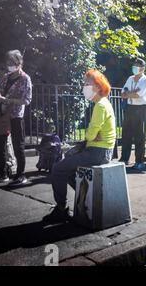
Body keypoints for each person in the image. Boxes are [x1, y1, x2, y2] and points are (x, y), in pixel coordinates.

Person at [43, 69, 116, 224]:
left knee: (58, 169)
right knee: (68, 171)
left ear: (97, 86)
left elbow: (89, 134)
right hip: (100, 151)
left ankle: (62, 209)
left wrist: (92, 135)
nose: (84, 87)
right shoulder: (103, 103)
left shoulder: (100, 106)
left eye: (86, 84)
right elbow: (92, 134)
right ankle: (88, 199)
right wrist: (93, 135)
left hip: (98, 153)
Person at [0, 50, 32, 186]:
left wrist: (9, 101)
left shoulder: (25, 78)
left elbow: (27, 100)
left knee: (18, 145)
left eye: (12, 63)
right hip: (2, 114)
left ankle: (20, 175)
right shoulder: (5, 77)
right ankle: (2, 173)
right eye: (8, 63)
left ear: (19, 63)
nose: (9, 65)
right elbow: (1, 91)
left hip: (16, 115)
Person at [120, 58, 146, 170]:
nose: (135, 67)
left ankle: (139, 161)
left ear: (143, 68)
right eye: (134, 65)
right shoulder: (130, 78)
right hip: (129, 108)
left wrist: (129, 93)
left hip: (140, 109)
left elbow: (139, 95)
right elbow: (122, 94)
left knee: (139, 136)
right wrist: (132, 92)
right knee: (126, 134)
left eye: (138, 65)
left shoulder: (145, 80)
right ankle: (124, 159)